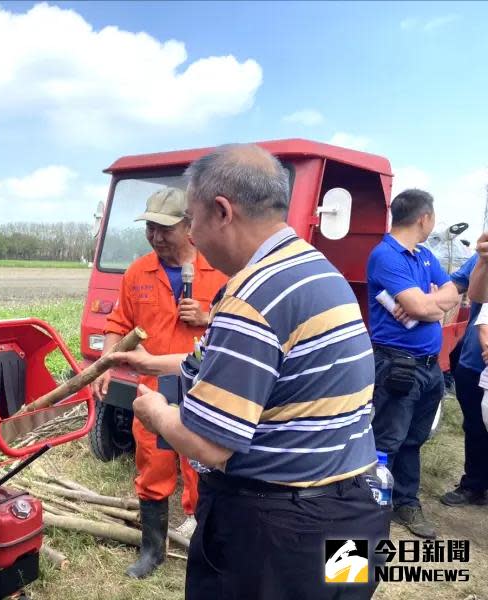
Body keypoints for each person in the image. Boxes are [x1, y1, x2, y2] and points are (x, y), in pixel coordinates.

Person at [111, 144, 388, 599]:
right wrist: (149, 362)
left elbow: (210, 445)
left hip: (279, 536)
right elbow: (253, 369)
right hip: (355, 509)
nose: (193, 236)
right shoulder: (315, 270)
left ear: (222, 211)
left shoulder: (251, 295)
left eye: (193, 220)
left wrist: (157, 412)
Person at [91, 187, 226, 579]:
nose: (156, 236)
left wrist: (206, 317)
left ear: (190, 225)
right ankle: (153, 550)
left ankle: (206, 541)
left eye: (166, 228)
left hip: (205, 385)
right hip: (153, 391)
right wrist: (104, 366)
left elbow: (240, 324)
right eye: (151, 227)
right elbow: (117, 325)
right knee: (153, 466)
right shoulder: (138, 272)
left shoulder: (218, 269)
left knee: (204, 467)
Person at [366, 189, 460, 539]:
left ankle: (405, 501)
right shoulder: (386, 255)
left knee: (414, 438)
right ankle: (372, 506)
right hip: (397, 366)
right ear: (425, 218)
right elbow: (426, 309)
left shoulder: (423, 255)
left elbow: (452, 295)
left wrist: (426, 302)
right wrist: (428, 306)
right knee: (387, 439)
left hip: (429, 366)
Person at [439, 235, 488, 507]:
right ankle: (475, 485)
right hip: (474, 359)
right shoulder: (481, 257)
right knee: (475, 425)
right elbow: (455, 286)